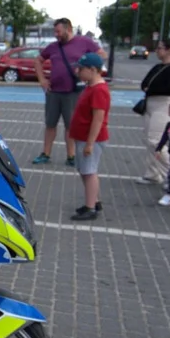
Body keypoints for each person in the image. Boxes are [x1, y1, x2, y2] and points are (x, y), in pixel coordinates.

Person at [33, 18, 105, 167]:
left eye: (58, 31)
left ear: (68, 29)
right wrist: (42, 80)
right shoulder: (53, 47)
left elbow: (101, 55)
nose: (56, 35)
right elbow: (38, 60)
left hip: (73, 92)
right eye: (55, 32)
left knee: (70, 125)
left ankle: (71, 155)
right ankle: (46, 153)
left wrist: (90, 73)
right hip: (54, 92)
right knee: (50, 124)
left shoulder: (84, 42)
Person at [138, 38, 170, 186]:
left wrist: (150, 89)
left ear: (169, 50)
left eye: (160, 48)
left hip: (163, 104)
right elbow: (144, 83)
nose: (157, 51)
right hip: (150, 104)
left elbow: (169, 88)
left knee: (156, 140)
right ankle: (152, 173)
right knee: (148, 139)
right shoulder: (158, 67)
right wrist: (149, 88)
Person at [69, 53, 111, 221]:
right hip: (83, 137)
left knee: (89, 172)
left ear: (93, 70)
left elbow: (98, 118)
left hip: (90, 138)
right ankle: (94, 201)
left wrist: (90, 143)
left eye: (81, 69)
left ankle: (90, 207)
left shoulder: (99, 90)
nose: (78, 71)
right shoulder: (91, 87)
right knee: (85, 170)